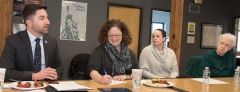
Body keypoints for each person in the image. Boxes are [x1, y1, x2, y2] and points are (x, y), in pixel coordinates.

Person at [0, 4, 63, 82]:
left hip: (46, 85)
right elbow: (5, 72)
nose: (48, 22)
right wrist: (34, 76)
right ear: (29, 23)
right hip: (23, 86)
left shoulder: (51, 40)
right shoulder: (13, 41)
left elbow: (59, 67)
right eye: (42, 18)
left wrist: (56, 74)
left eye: (47, 18)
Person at [87, 19, 139, 84]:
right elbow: (92, 70)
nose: (114, 38)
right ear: (106, 36)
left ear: (123, 35)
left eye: (117, 35)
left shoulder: (131, 54)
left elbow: (138, 73)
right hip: (104, 87)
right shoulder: (98, 51)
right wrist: (100, 78)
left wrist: (126, 76)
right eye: (110, 35)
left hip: (126, 88)